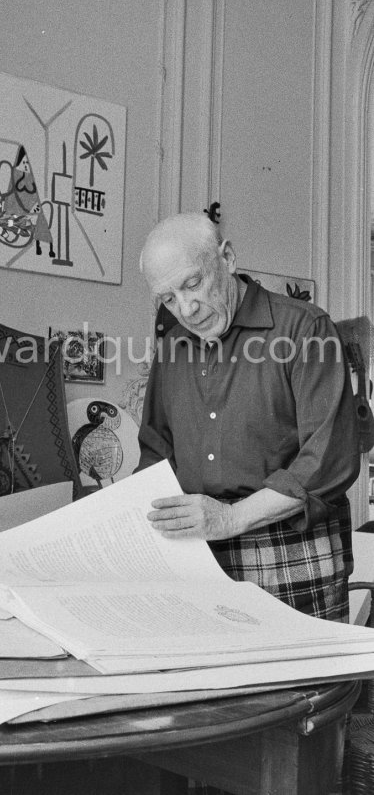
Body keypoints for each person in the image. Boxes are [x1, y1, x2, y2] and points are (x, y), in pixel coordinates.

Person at [137, 212, 360, 622]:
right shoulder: (171, 348)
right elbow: (155, 454)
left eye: (193, 283)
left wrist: (228, 518)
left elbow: (328, 461)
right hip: (198, 553)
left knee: (301, 668)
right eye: (168, 298)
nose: (186, 308)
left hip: (290, 550)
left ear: (227, 258)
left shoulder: (305, 328)